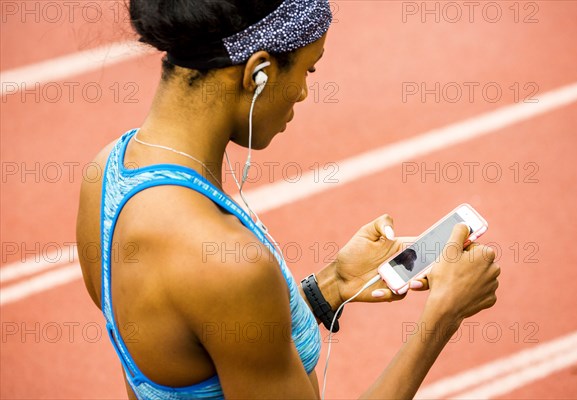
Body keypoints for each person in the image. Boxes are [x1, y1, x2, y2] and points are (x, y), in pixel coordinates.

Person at [76, 0, 500, 398]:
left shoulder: (106, 174)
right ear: (257, 72)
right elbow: (222, 293)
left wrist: (332, 286)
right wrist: (443, 315)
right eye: (308, 71)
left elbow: (195, 341)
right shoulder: (229, 264)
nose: (302, 94)